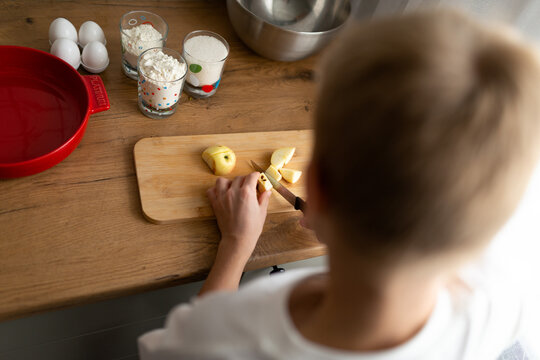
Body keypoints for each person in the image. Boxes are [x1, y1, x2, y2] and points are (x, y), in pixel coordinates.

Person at [138, 8, 540, 359]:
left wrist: (235, 247)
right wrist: (353, 224)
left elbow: (176, 348)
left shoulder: (233, 336)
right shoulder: (499, 303)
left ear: (319, 186)